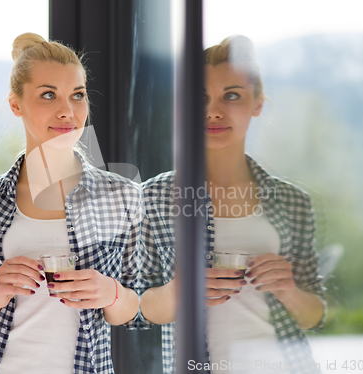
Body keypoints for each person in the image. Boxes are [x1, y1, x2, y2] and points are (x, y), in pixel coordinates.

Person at [0, 32, 142, 374]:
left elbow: (137, 310)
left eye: (77, 95)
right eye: (48, 95)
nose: (67, 111)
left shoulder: (123, 196)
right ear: (16, 105)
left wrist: (110, 293)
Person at [139, 35, 326, 374]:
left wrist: (289, 291)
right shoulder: (154, 197)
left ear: (257, 105)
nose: (214, 111)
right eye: (201, 97)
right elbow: (140, 309)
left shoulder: (292, 201)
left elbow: (315, 315)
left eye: (232, 96)